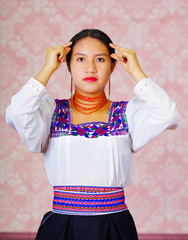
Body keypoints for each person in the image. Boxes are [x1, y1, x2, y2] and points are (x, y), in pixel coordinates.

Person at [5, 29, 180, 240]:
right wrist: (47, 69)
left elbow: (168, 115)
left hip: (114, 225)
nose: (91, 68)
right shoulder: (50, 111)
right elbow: (16, 113)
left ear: (114, 65)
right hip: (61, 226)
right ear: (67, 65)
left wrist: (135, 70)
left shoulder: (127, 113)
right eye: (80, 59)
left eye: (100, 59)